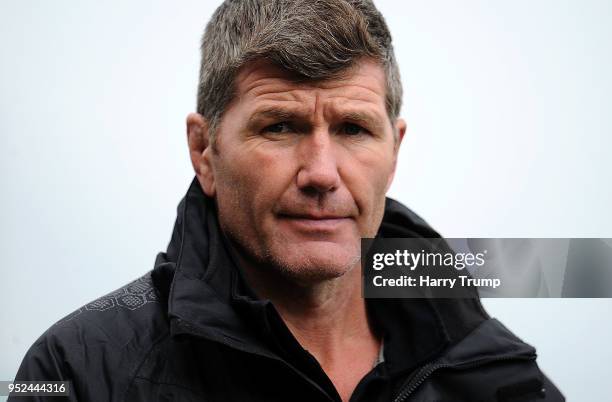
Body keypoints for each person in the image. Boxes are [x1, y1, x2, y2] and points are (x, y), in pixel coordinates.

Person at [11, 0, 564, 401]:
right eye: (279, 126)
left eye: (353, 129)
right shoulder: (78, 371)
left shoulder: (496, 369)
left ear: (394, 151)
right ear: (204, 150)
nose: (321, 173)